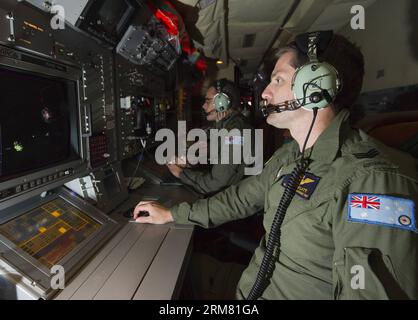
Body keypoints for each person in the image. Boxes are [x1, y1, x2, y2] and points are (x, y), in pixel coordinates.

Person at [132, 31, 418, 299]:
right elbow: (239, 198)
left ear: (314, 87)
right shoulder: (290, 155)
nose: (265, 93)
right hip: (254, 282)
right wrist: (173, 214)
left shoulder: (372, 181)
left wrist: (183, 174)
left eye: (277, 80)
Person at [167, 79, 254, 195]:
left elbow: (215, 184)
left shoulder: (235, 132)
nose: (203, 106)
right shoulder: (227, 125)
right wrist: (190, 164)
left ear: (222, 102)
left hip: (233, 197)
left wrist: (181, 173)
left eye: (208, 101)